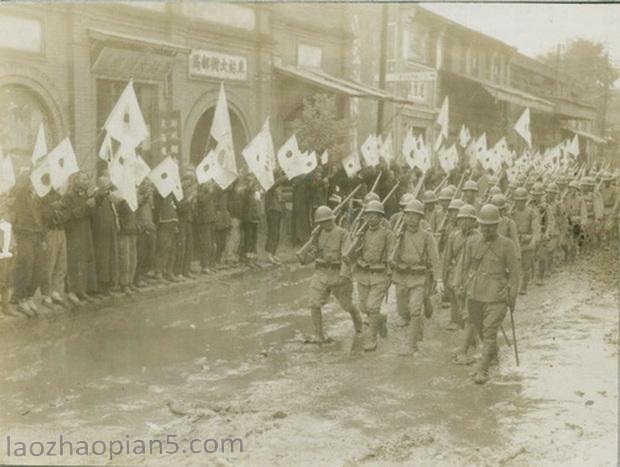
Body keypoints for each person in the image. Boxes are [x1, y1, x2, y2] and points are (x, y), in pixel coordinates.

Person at [454, 204, 520, 384]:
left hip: (497, 295)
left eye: (491, 225)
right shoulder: (472, 242)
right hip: (475, 293)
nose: (487, 228)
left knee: (490, 331)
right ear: (479, 224)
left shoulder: (507, 244)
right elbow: (464, 266)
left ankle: (482, 370)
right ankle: (492, 356)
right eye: (483, 225)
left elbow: (515, 274)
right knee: (481, 328)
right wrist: (458, 285)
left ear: (498, 224)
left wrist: (512, 298)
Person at [296, 205, 363, 343]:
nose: (324, 224)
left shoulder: (343, 234)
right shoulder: (318, 235)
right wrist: (311, 242)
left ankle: (359, 327)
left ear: (333, 219)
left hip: (338, 273)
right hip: (321, 273)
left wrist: (344, 276)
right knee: (314, 303)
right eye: (321, 222)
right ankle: (319, 335)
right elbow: (308, 257)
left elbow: (347, 256)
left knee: (347, 306)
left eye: (327, 221)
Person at [390, 199, 443, 353]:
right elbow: (391, 254)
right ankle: (418, 327)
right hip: (401, 275)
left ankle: (411, 345)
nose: (410, 218)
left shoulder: (427, 236)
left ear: (420, 218)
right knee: (402, 311)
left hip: (419, 277)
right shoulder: (398, 233)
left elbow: (435, 258)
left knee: (414, 309)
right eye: (408, 215)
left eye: (414, 215)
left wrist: (439, 280)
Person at [344, 200, 393, 351]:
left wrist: (390, 273)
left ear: (380, 217)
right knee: (364, 307)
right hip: (363, 273)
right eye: (368, 216)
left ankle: (371, 339)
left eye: (374, 216)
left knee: (372, 307)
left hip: (379, 274)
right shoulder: (361, 233)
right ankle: (380, 319)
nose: (371, 219)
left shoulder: (388, 234)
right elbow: (354, 253)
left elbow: (391, 254)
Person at [10, 174, 46, 315]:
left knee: (38, 267)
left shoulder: (36, 198)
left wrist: (42, 238)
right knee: (25, 266)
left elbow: (41, 219)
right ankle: (19, 298)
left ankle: (29, 295)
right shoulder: (21, 197)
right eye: (32, 182)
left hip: (37, 235)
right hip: (25, 235)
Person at [442, 203, 479, 331]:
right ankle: (457, 320)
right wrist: (444, 276)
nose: (463, 223)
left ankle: (471, 327)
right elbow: (447, 258)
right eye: (461, 219)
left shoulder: (479, 237)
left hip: (473, 273)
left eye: (467, 220)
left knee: (471, 300)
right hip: (457, 272)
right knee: (455, 297)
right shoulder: (454, 236)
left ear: (474, 221)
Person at [64, 173, 98, 304]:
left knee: (84, 260)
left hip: (85, 230)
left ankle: (82, 289)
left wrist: (92, 206)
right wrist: (86, 206)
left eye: (87, 179)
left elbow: (90, 215)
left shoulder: (86, 195)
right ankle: (71, 291)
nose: (87, 181)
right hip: (74, 232)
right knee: (74, 260)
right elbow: (69, 215)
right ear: (76, 181)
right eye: (84, 179)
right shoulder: (69, 196)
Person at [92, 175, 120, 295]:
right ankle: (101, 284)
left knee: (111, 257)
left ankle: (109, 283)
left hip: (110, 229)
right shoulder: (96, 195)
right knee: (102, 258)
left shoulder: (110, 197)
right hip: (100, 231)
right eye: (105, 184)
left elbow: (116, 205)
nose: (107, 187)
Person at [40, 189, 69, 307]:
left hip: (61, 230)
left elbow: (67, 213)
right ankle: (46, 293)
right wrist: (53, 209)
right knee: (49, 263)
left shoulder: (60, 196)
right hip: (50, 231)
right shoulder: (43, 196)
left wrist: (60, 213)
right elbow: (43, 216)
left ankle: (56, 291)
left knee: (61, 263)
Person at [511, 187, 540, 294]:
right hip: (515, 243)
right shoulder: (512, 213)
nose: (519, 203)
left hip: (527, 243)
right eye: (517, 201)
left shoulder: (531, 212)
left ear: (525, 201)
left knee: (526, 266)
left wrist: (533, 240)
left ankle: (524, 286)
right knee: (514, 267)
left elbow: (536, 228)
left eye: (521, 201)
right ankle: (515, 286)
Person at [153, 191, 179, 282]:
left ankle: (169, 271)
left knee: (171, 248)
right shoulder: (159, 193)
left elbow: (177, 205)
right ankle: (158, 272)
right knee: (163, 247)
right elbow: (156, 208)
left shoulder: (173, 193)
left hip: (173, 221)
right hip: (164, 222)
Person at [135, 181, 157, 286]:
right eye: (145, 185)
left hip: (149, 227)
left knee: (150, 253)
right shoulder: (137, 195)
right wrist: (145, 196)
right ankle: (137, 278)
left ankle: (144, 275)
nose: (148, 187)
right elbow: (137, 203)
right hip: (141, 228)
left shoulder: (149, 199)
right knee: (141, 254)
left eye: (149, 185)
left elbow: (151, 211)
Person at [117, 196, 139, 294]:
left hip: (132, 230)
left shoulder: (133, 195)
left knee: (132, 257)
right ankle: (124, 283)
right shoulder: (119, 196)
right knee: (125, 259)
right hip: (124, 230)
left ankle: (130, 281)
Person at [264, 171, 287, 264]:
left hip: (278, 212)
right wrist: (285, 176)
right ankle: (269, 254)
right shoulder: (270, 186)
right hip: (272, 211)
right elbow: (275, 183)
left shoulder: (278, 188)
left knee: (276, 234)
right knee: (273, 233)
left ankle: (273, 253)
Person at [195, 181, 217, 274]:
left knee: (212, 243)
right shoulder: (200, 191)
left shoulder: (209, 192)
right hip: (204, 220)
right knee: (206, 243)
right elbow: (202, 201)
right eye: (207, 182)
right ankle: (204, 265)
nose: (209, 183)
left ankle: (210, 264)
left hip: (211, 219)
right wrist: (210, 192)